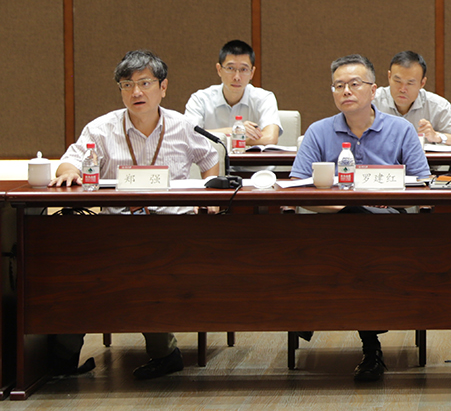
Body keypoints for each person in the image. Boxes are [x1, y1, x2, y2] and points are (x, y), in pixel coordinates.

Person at [49, 50, 220, 380]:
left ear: (163, 87)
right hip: (117, 229)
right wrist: (69, 172)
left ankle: (164, 354)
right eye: (127, 85)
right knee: (79, 272)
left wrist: (209, 194)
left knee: (147, 268)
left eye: (145, 83)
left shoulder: (184, 127)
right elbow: (69, 160)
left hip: (173, 229)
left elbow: (210, 159)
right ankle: (62, 359)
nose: (136, 92)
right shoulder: (102, 128)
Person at [290, 54, 432, 382]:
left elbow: (423, 184)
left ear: (373, 89)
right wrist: (345, 205)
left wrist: (380, 200)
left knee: (357, 237)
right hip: (337, 226)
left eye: (354, 84)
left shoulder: (400, 130)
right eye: (338, 85)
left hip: (389, 227)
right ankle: (371, 345)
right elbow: (297, 187)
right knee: (352, 228)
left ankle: (314, 315)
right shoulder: (318, 131)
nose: (346, 91)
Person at [183, 40, 281, 146]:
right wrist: (238, 131)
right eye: (230, 68)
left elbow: (270, 138)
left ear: (252, 73)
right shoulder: (200, 99)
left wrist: (235, 141)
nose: (237, 77)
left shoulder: (264, 98)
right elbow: (189, 135)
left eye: (244, 69)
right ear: (219, 70)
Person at [374, 50, 451, 146]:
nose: (402, 89)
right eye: (397, 81)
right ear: (389, 76)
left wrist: (438, 137)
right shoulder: (372, 101)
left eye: (410, 83)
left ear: (422, 83)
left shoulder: (436, 105)